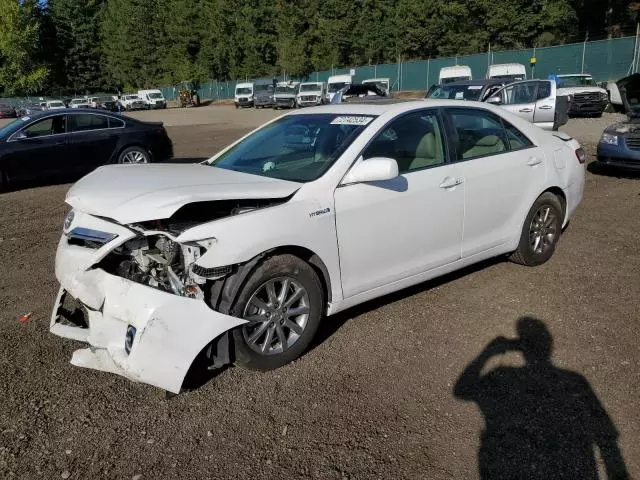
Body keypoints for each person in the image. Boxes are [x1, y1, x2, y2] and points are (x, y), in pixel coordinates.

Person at [454, 317, 628, 480]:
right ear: (549, 344)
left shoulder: (503, 376)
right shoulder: (574, 380)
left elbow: (462, 391)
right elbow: (605, 432)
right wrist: (618, 473)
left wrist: (488, 352)